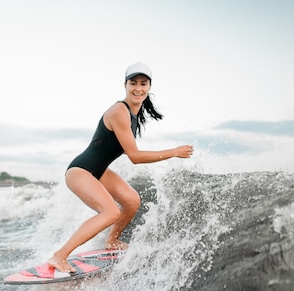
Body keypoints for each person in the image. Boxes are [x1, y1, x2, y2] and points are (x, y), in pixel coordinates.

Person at [47, 62, 194, 272]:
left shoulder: (133, 114)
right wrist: (173, 152)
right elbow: (134, 156)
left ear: (149, 87)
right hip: (80, 171)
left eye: (143, 84)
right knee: (110, 212)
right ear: (125, 84)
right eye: (133, 83)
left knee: (132, 200)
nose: (138, 88)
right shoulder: (119, 111)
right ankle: (59, 256)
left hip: (98, 171)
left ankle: (112, 241)